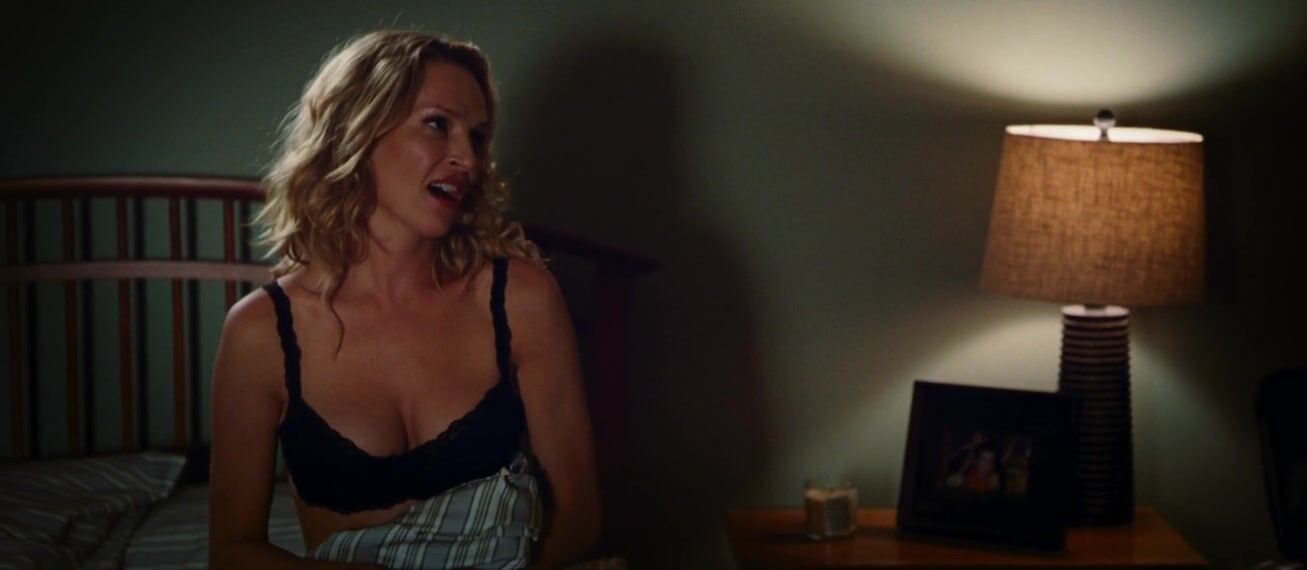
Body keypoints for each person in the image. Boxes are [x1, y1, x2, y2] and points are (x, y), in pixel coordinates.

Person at [209, 30, 600, 569]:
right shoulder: (263, 332)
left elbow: (579, 517)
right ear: (358, 130)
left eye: (477, 137)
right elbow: (233, 551)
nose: (467, 158)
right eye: (438, 125)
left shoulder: (517, 298)